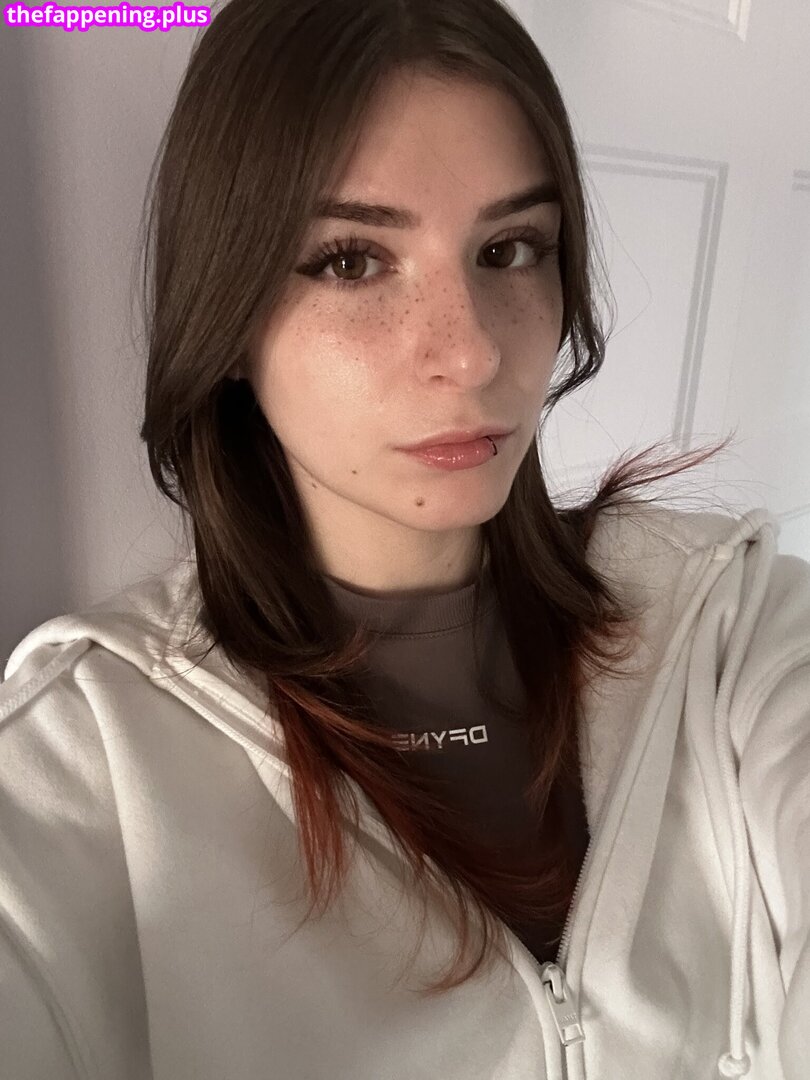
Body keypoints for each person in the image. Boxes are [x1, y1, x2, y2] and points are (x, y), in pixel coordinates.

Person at [1, 0, 807, 1077]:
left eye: (510, 249)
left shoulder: (727, 622)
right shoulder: (81, 757)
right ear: (227, 314)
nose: (471, 355)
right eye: (350, 262)